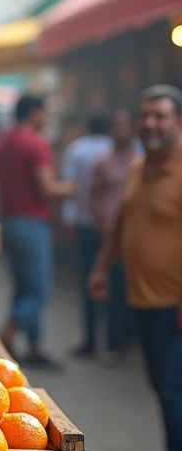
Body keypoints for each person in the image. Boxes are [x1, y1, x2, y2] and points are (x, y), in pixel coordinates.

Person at [89, 85, 182, 451]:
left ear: (177, 122)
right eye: (146, 116)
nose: (151, 124)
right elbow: (121, 224)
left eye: (160, 116)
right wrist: (101, 267)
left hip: (175, 305)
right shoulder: (138, 167)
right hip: (143, 301)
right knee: (163, 390)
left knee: (171, 389)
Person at [0, 95, 75, 369]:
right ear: (35, 113)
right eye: (44, 114)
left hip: (9, 221)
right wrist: (74, 189)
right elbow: (47, 188)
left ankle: (35, 346)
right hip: (32, 224)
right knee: (40, 290)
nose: (45, 119)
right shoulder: (35, 143)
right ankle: (6, 333)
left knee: (24, 287)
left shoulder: (1, 142)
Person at [60, 114, 113, 357]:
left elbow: (70, 186)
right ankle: (114, 342)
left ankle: (91, 340)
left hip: (85, 225)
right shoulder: (118, 149)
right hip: (114, 229)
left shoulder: (78, 148)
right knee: (115, 284)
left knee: (89, 281)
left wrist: (67, 220)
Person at [90, 111, 140, 361]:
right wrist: (101, 222)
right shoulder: (103, 161)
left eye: (125, 125)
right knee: (109, 288)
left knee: (129, 289)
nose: (121, 129)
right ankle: (110, 342)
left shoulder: (140, 160)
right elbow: (94, 194)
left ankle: (129, 339)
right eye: (116, 125)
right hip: (107, 233)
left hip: (135, 237)